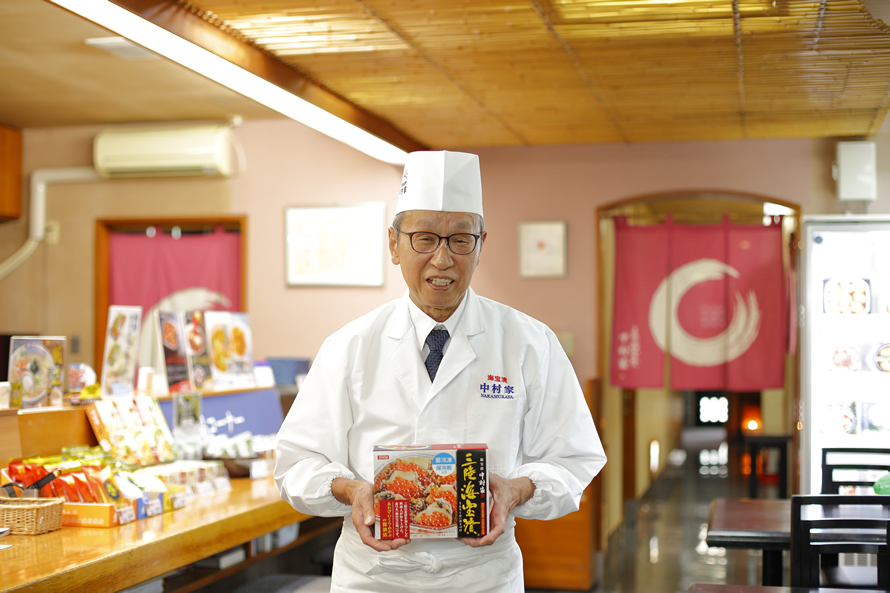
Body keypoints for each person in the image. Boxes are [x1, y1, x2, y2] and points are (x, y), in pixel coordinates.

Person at [274, 150, 606, 592]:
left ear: (481, 245)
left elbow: (575, 459)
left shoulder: (529, 343)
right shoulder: (349, 347)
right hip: (374, 578)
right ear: (393, 244)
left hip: (482, 577)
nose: (443, 259)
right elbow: (296, 463)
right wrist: (350, 490)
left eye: (460, 239)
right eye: (424, 238)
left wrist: (518, 490)